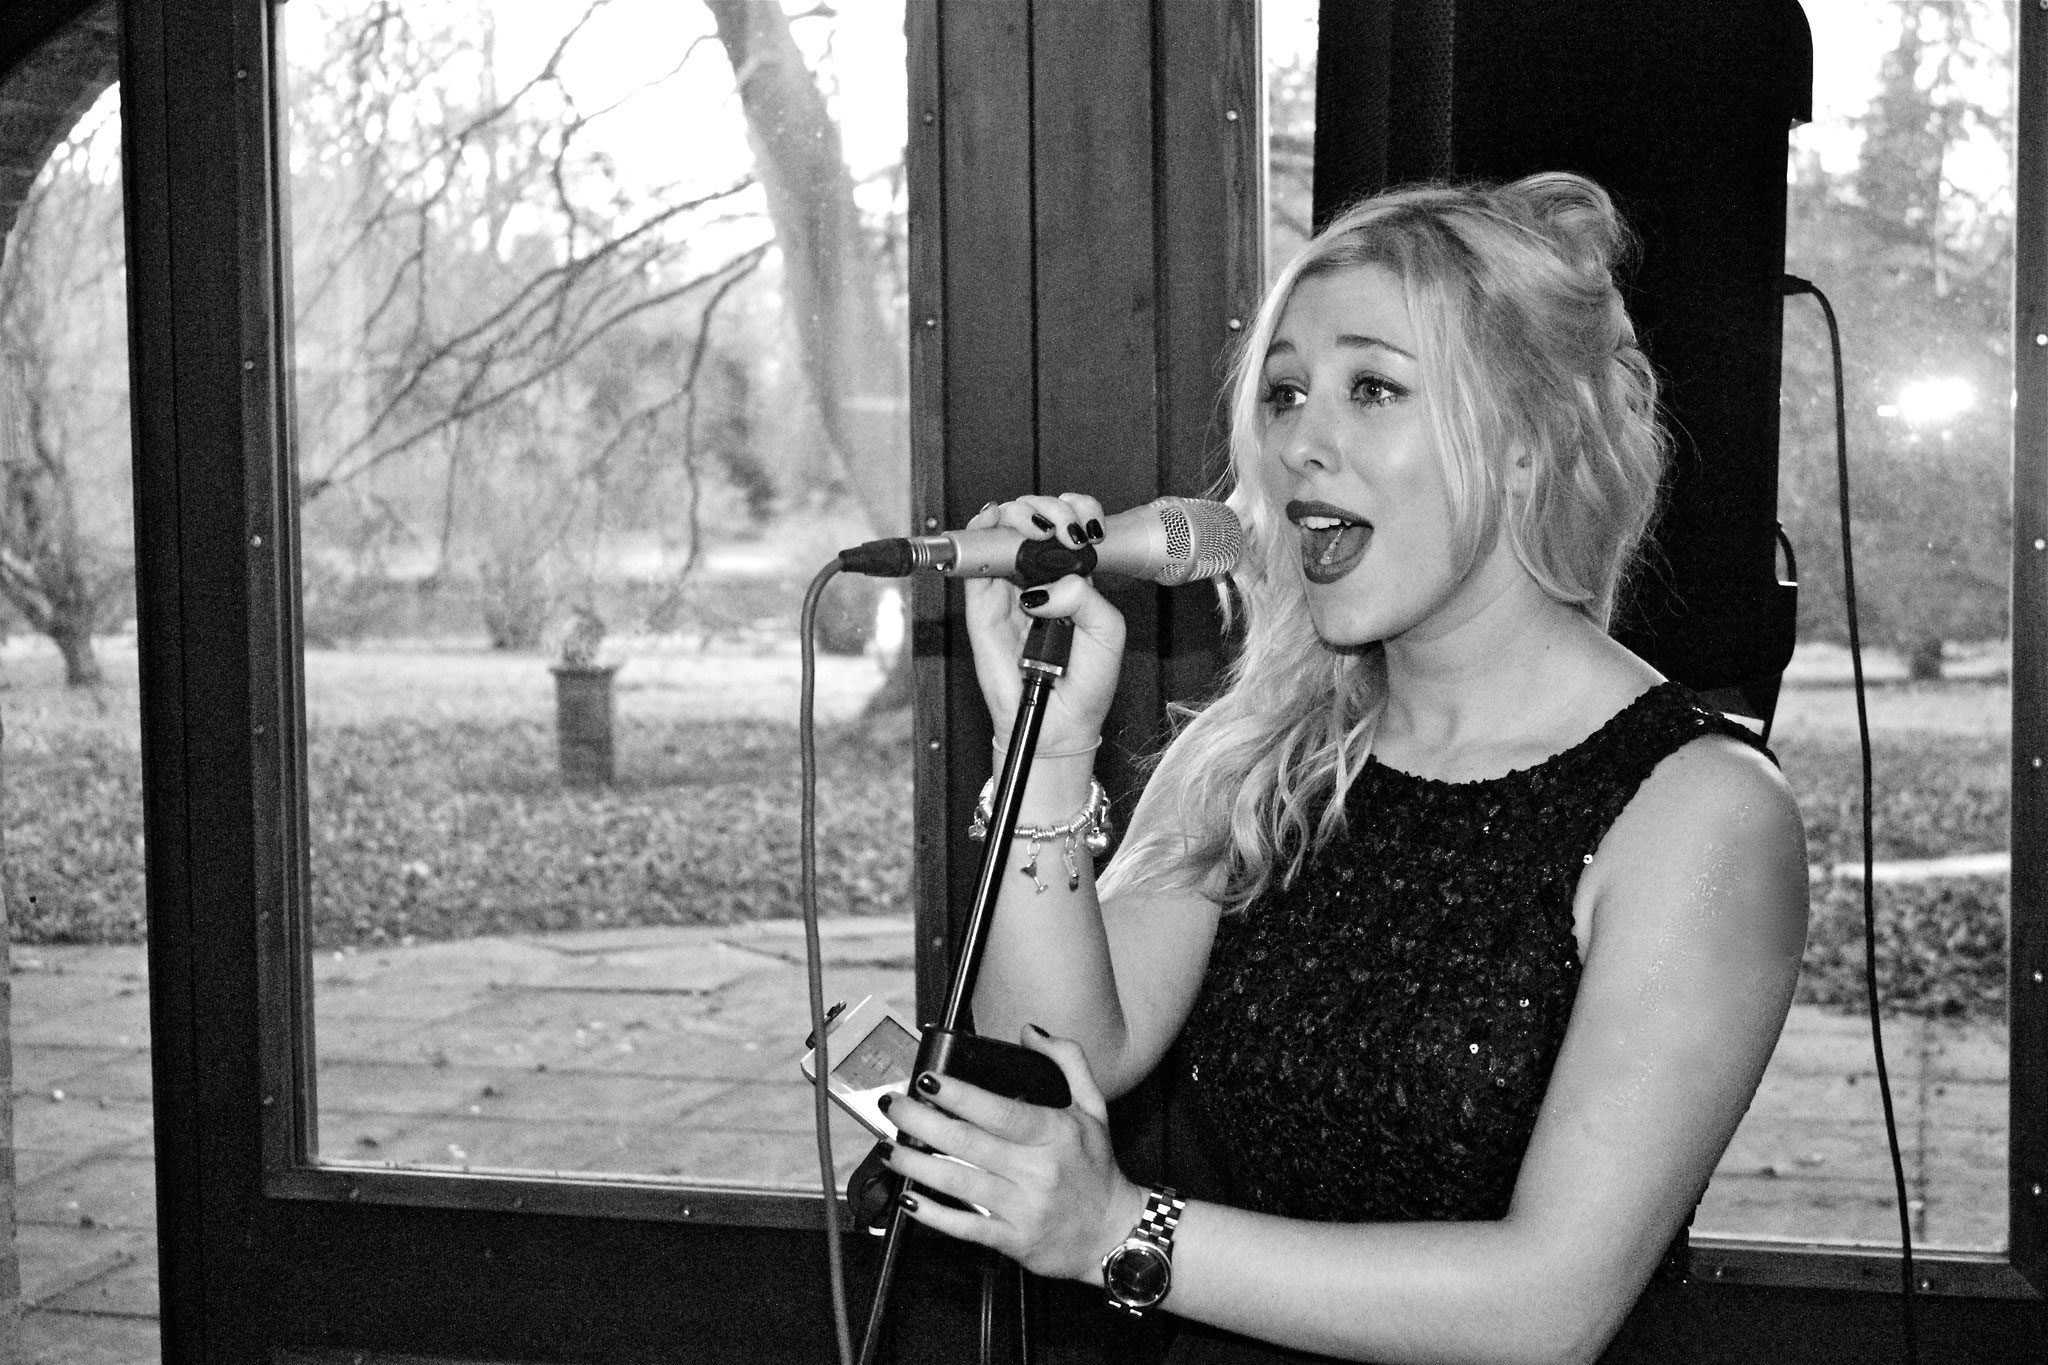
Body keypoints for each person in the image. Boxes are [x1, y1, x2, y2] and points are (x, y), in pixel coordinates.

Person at [878, 173, 1809, 1364]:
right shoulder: (1264, 748)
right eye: (1282, 395)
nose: (1296, 445)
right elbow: (1055, 1052)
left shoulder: (1705, 812)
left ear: (1525, 446)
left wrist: (1119, 1231)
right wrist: (1047, 754)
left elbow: (1550, 1308)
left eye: (1371, 388)